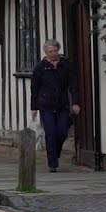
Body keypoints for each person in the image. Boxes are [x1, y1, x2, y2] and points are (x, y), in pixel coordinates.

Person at [30, 39, 80, 171]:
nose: (53, 53)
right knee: (51, 133)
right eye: (50, 51)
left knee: (62, 132)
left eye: (54, 51)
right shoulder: (40, 67)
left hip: (62, 104)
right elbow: (35, 88)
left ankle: (55, 153)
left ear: (58, 50)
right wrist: (34, 107)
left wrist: (75, 102)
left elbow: (73, 85)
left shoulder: (65, 65)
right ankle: (52, 163)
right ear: (46, 53)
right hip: (45, 104)